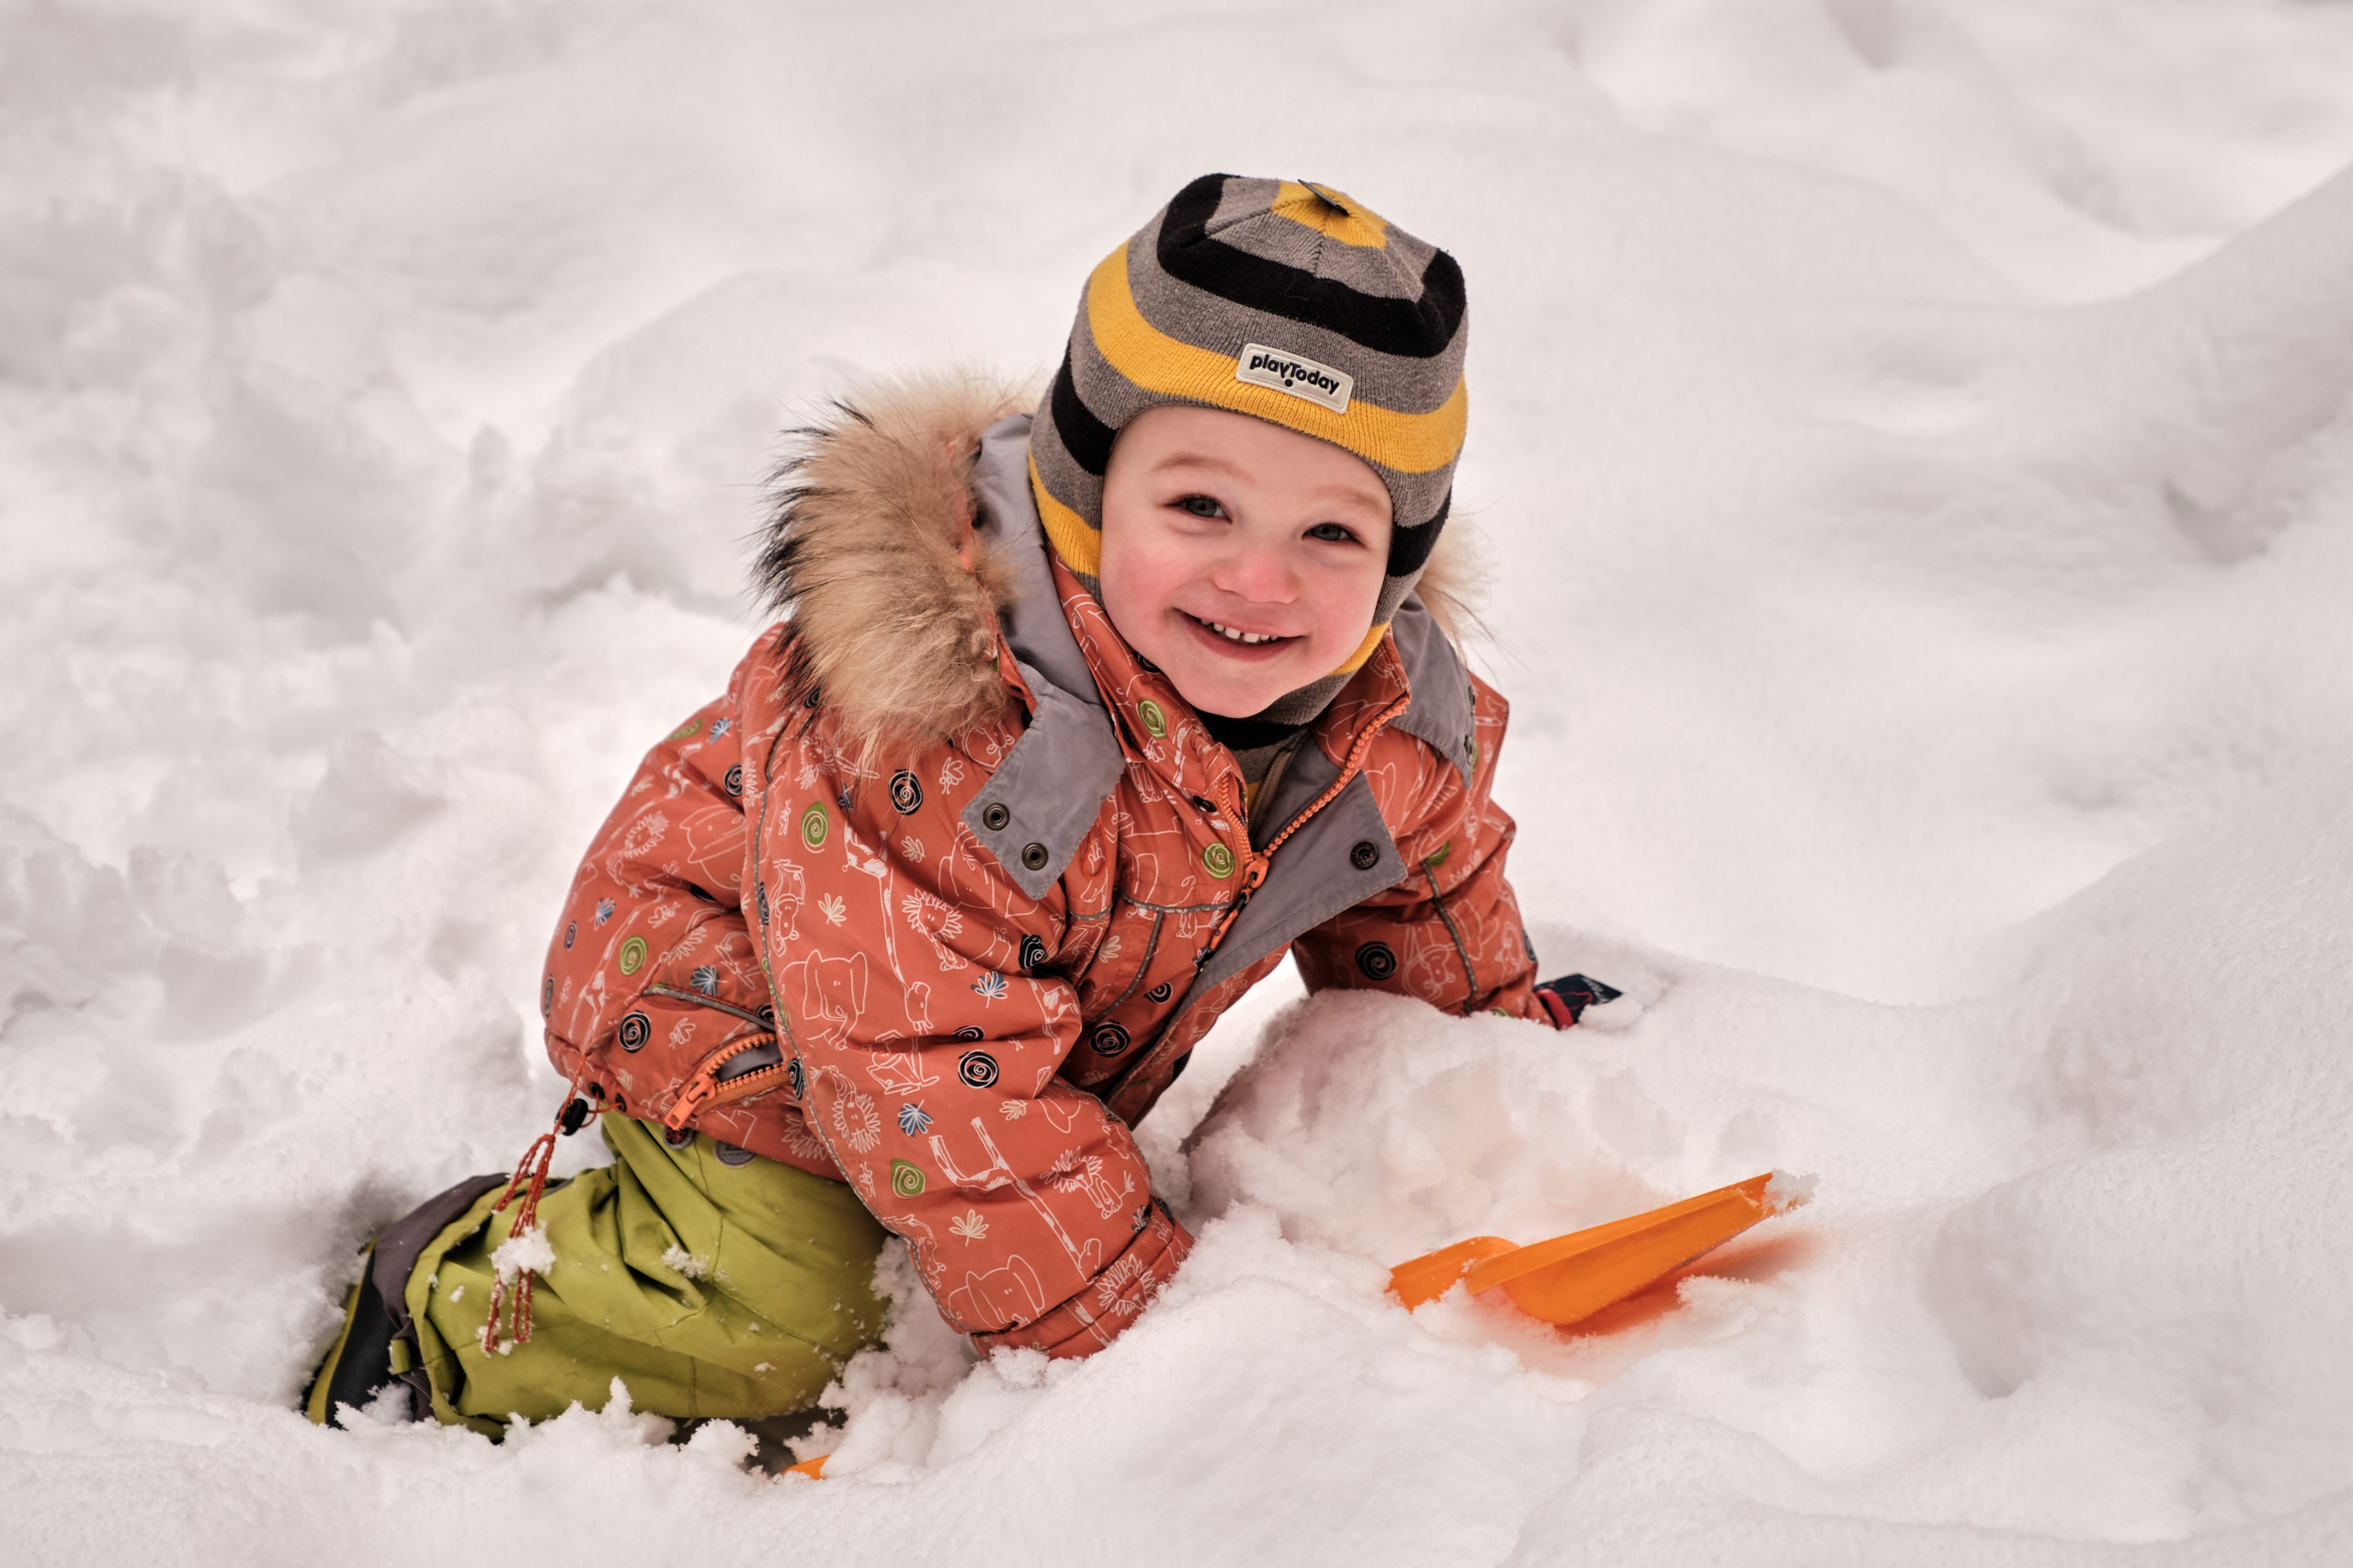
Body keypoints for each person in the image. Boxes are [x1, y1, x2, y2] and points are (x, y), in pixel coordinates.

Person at [305, 174, 1615, 1437]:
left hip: (985, 1029)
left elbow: (1414, 889)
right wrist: (1143, 1327)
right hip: (735, 994)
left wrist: (1486, 1073)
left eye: (1332, 533)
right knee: (792, 1304)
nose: (1259, 577)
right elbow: (916, 1058)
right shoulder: (955, 731)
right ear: (1087, 495)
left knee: (972, 1196)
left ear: (1399, 562)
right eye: (1201, 504)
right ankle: (446, 1311)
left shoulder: (1381, 715)